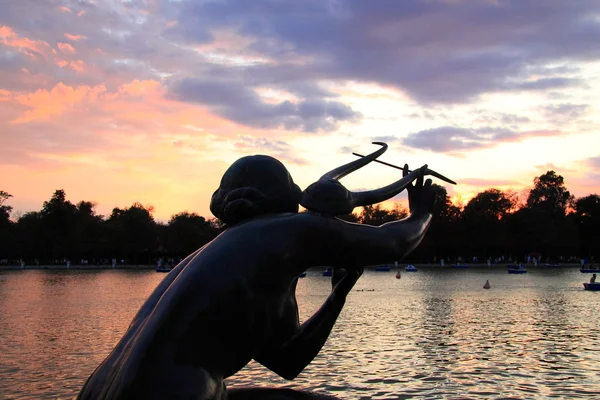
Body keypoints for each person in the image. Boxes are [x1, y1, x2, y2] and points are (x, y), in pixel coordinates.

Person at [77, 149, 437, 400]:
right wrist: (421, 213)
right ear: (290, 196)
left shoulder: (216, 253)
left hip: (100, 390)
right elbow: (394, 243)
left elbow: (287, 359)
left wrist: (338, 295)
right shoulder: (290, 229)